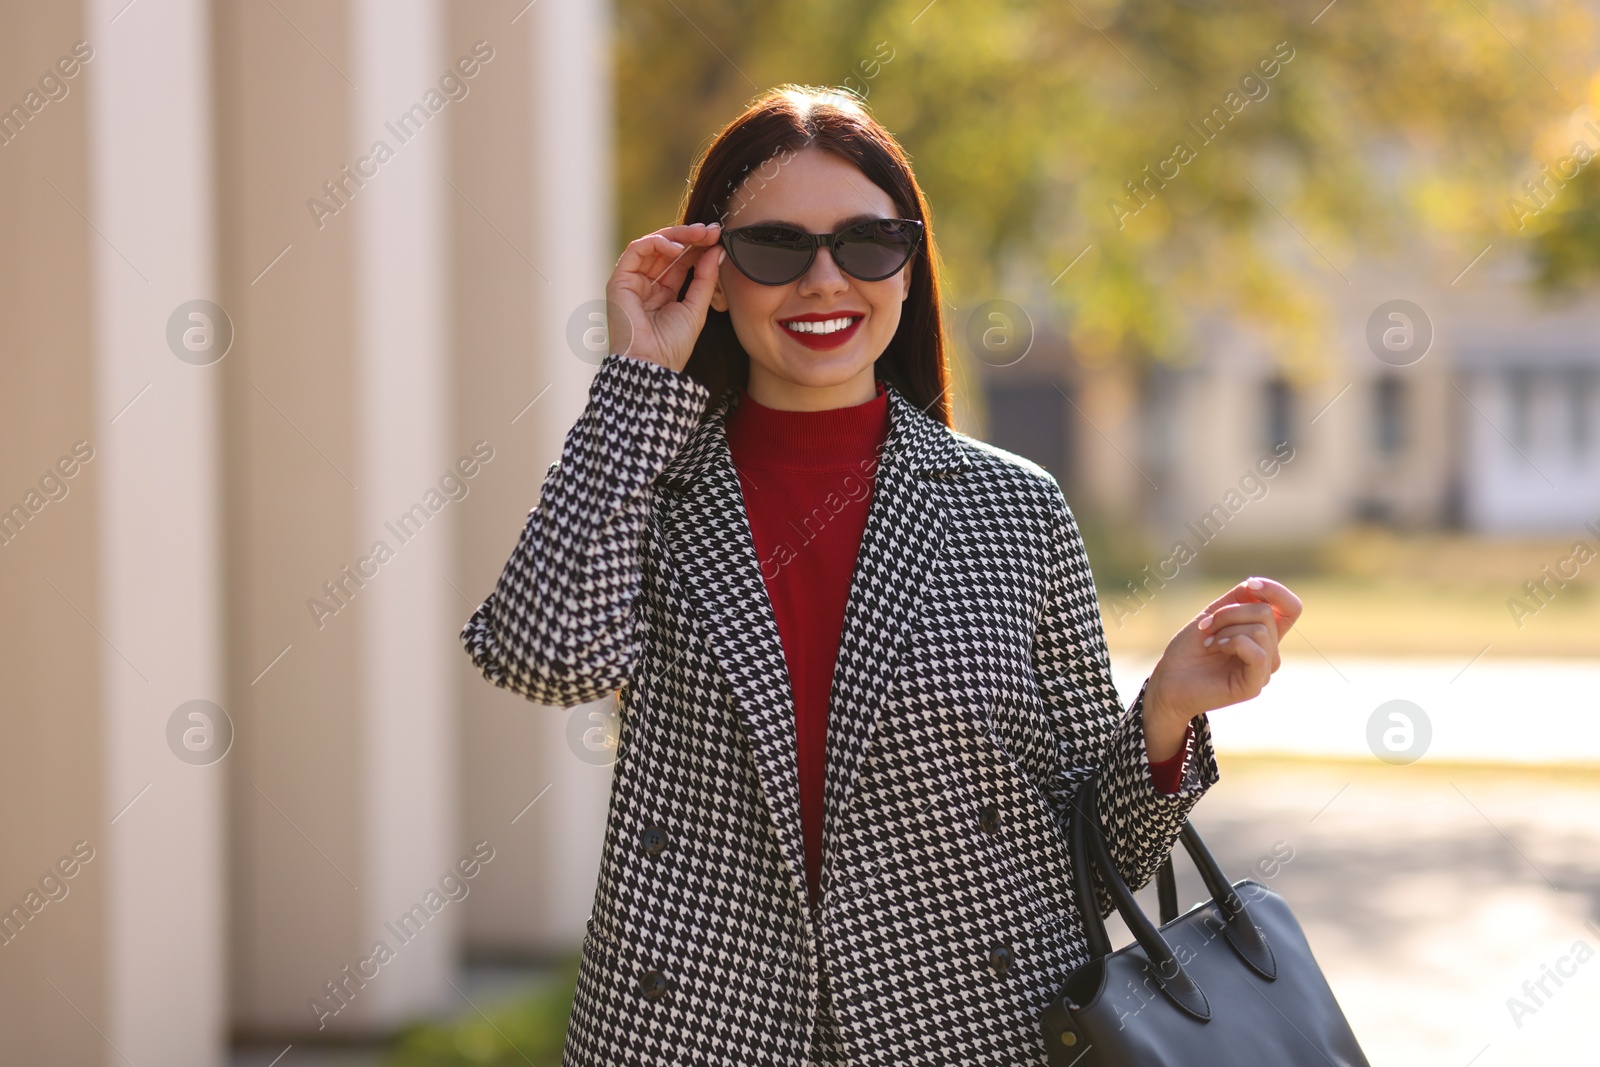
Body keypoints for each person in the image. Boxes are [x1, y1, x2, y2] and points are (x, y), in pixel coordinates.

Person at [460, 84, 1302, 1067]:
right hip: (697, 1027)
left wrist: (1164, 713)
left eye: (866, 243)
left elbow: (1099, 852)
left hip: (969, 1027)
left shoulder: (1011, 507)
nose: (824, 280)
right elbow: (541, 657)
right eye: (776, 247)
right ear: (715, 275)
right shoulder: (651, 478)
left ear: (906, 271)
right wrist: (637, 379)